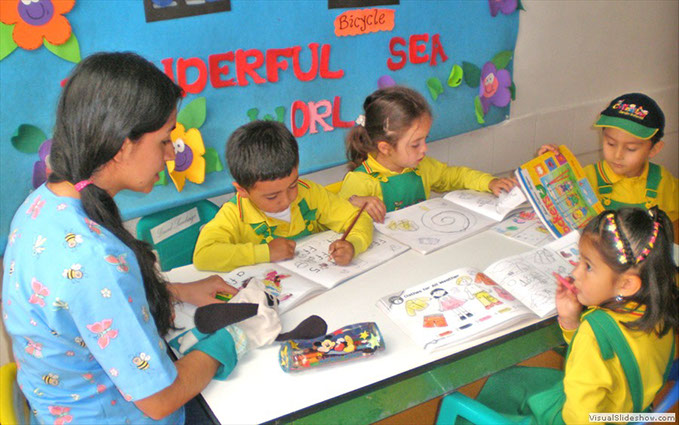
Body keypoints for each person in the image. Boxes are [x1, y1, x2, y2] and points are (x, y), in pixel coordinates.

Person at [2, 52, 241, 424]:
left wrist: (175, 291)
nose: (170, 153)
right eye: (164, 140)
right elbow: (160, 400)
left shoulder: (43, 203)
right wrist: (229, 341)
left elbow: (86, 308)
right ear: (124, 144)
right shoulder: (93, 258)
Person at [473, 207, 677, 424]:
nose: (574, 273)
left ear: (626, 284)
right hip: (628, 410)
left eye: (588, 266)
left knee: (498, 388)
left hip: (583, 417)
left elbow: (579, 416)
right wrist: (571, 322)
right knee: (508, 381)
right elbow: (607, 358)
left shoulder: (592, 335)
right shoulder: (659, 310)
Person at [193, 120, 373, 272]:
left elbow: (358, 218)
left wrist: (353, 244)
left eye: (292, 185)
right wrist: (266, 252)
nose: (287, 200)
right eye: (272, 197)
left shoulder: (309, 193)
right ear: (242, 190)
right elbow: (203, 255)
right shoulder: (234, 214)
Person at [338, 85, 516, 223]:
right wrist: (354, 202)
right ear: (385, 148)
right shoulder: (360, 180)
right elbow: (334, 217)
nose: (424, 149)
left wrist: (489, 182)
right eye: (415, 144)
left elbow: (456, 176)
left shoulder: (422, 167)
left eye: (425, 139)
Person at [538, 93, 678, 224]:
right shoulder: (587, 177)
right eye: (611, 144)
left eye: (631, 148)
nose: (618, 155)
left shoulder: (663, 181)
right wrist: (551, 170)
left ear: (654, 149)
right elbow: (556, 206)